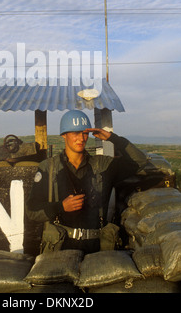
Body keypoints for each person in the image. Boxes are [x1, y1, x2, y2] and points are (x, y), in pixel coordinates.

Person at [26, 109, 148, 254]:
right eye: (75, 133)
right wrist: (61, 207)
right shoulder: (49, 167)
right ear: (64, 135)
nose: (81, 138)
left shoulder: (102, 165)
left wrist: (112, 138)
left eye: (85, 133)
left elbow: (139, 161)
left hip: (97, 247)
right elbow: (32, 210)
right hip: (61, 246)